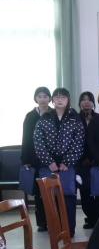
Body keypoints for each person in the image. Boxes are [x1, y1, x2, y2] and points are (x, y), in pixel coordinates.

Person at [33, 88, 84, 237]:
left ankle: (69, 230)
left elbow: (79, 142)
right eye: (57, 97)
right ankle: (54, 230)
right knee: (50, 198)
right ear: (53, 100)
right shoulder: (44, 118)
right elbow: (38, 142)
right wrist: (49, 162)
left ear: (68, 100)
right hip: (48, 165)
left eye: (63, 97)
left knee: (68, 197)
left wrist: (67, 162)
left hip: (67, 166)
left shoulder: (75, 118)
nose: (60, 100)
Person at [21, 86, 51, 231]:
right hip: (35, 160)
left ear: (49, 98)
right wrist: (25, 160)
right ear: (36, 99)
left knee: (52, 191)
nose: (43, 99)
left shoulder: (54, 113)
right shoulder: (30, 116)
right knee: (39, 193)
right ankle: (42, 223)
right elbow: (25, 138)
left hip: (51, 161)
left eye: (45, 96)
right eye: (40, 96)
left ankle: (54, 221)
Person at [77, 91, 99, 229]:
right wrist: (83, 158)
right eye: (83, 100)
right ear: (79, 103)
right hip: (81, 161)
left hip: (97, 161)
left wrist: (94, 158)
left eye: (89, 100)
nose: (86, 102)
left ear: (93, 103)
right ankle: (90, 217)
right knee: (85, 190)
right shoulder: (74, 118)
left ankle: (98, 217)